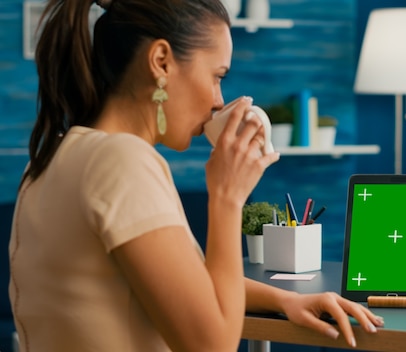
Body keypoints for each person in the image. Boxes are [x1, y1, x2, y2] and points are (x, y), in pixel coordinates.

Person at [8, 0, 384, 351]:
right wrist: (227, 197)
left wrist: (285, 299)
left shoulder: (55, 156)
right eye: (217, 75)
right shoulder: (122, 161)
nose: (220, 100)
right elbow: (211, 344)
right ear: (161, 61)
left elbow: (184, 284)